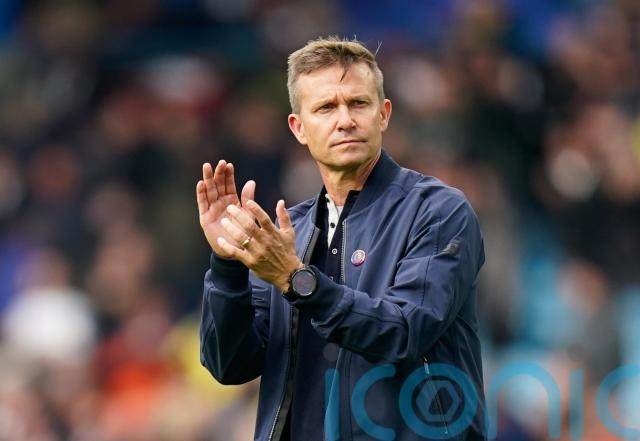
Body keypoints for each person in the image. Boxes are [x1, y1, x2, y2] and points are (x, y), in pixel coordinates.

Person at [197, 36, 486, 441]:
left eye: (358, 103)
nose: (345, 120)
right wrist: (227, 264)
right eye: (326, 107)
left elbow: (403, 332)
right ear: (299, 128)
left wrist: (297, 280)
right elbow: (230, 365)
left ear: (383, 114)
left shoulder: (437, 211)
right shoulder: (287, 235)